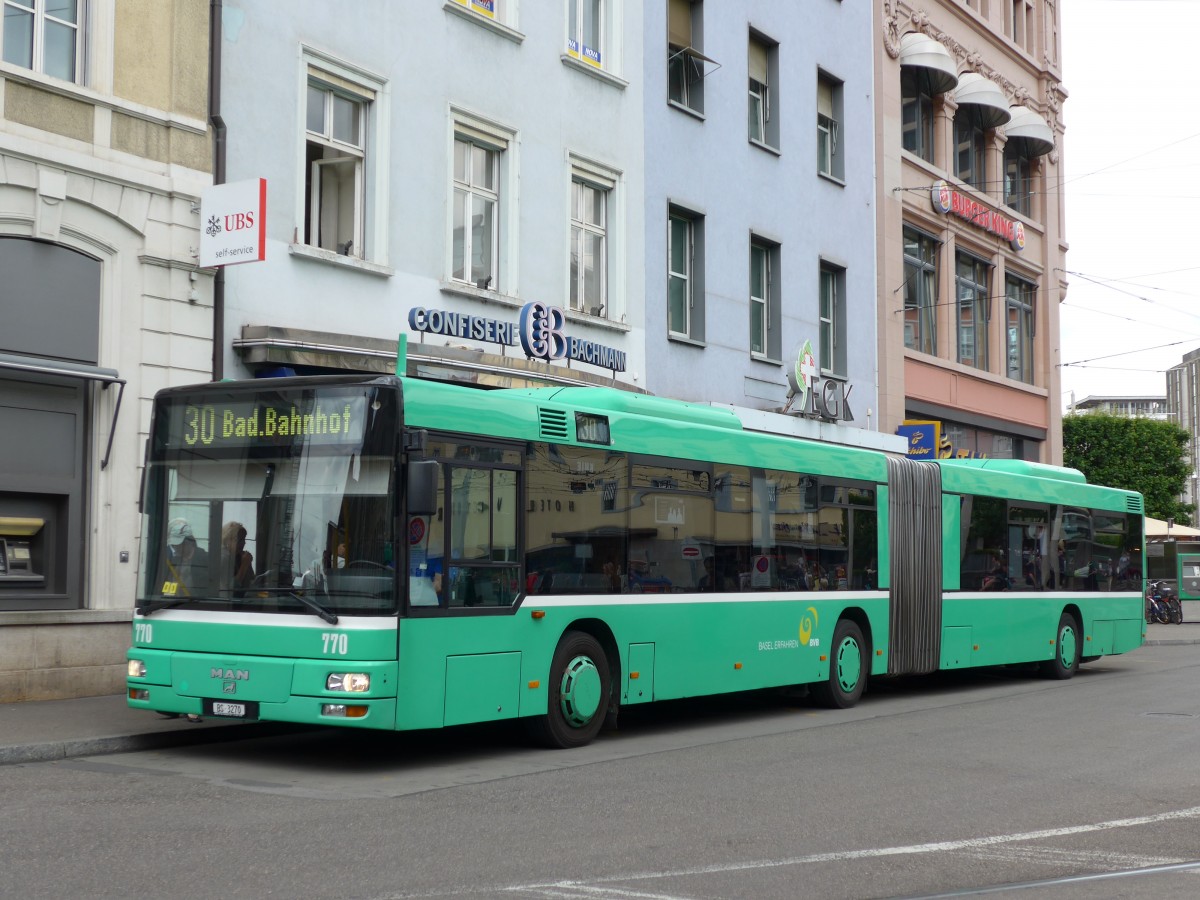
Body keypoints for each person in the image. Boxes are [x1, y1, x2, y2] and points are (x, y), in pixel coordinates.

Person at [164, 518, 209, 594]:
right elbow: (169, 585)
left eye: (178, 544)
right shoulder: (174, 561)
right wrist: (168, 594)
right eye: (173, 545)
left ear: (189, 542)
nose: (175, 547)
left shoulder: (205, 559)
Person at [220, 521, 254, 597]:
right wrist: (244, 565)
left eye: (244, 539)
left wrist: (248, 564)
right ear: (227, 540)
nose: (244, 543)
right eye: (240, 539)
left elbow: (251, 581)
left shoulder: (239, 556)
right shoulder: (223, 558)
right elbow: (230, 589)